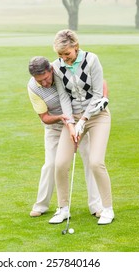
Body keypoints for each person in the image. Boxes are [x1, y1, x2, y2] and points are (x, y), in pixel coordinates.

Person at [27, 56, 107, 221]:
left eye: (46, 78)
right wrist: (64, 119)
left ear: (51, 69)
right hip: (55, 126)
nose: (44, 83)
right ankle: (41, 205)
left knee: (90, 160)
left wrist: (103, 99)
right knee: (51, 164)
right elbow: (44, 117)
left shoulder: (64, 70)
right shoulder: (33, 87)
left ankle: (96, 206)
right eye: (39, 80)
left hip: (79, 120)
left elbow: (100, 83)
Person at [51, 29, 114, 225]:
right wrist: (70, 124)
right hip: (74, 119)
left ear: (76, 47)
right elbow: (63, 97)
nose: (65, 59)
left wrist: (83, 120)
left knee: (96, 162)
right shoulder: (57, 66)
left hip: (97, 116)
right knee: (60, 163)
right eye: (60, 55)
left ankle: (107, 209)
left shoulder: (92, 60)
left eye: (67, 54)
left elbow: (97, 94)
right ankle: (63, 209)